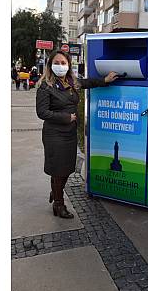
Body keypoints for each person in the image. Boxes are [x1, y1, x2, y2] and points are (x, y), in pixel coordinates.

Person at [36, 50, 118, 218]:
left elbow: (88, 82)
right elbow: (42, 112)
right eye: (57, 63)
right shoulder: (45, 86)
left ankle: (55, 191)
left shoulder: (71, 82)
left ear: (68, 65)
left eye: (63, 63)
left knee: (66, 168)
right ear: (50, 65)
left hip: (69, 134)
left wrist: (105, 80)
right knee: (58, 170)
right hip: (55, 134)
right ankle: (59, 205)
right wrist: (67, 117)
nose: (60, 66)